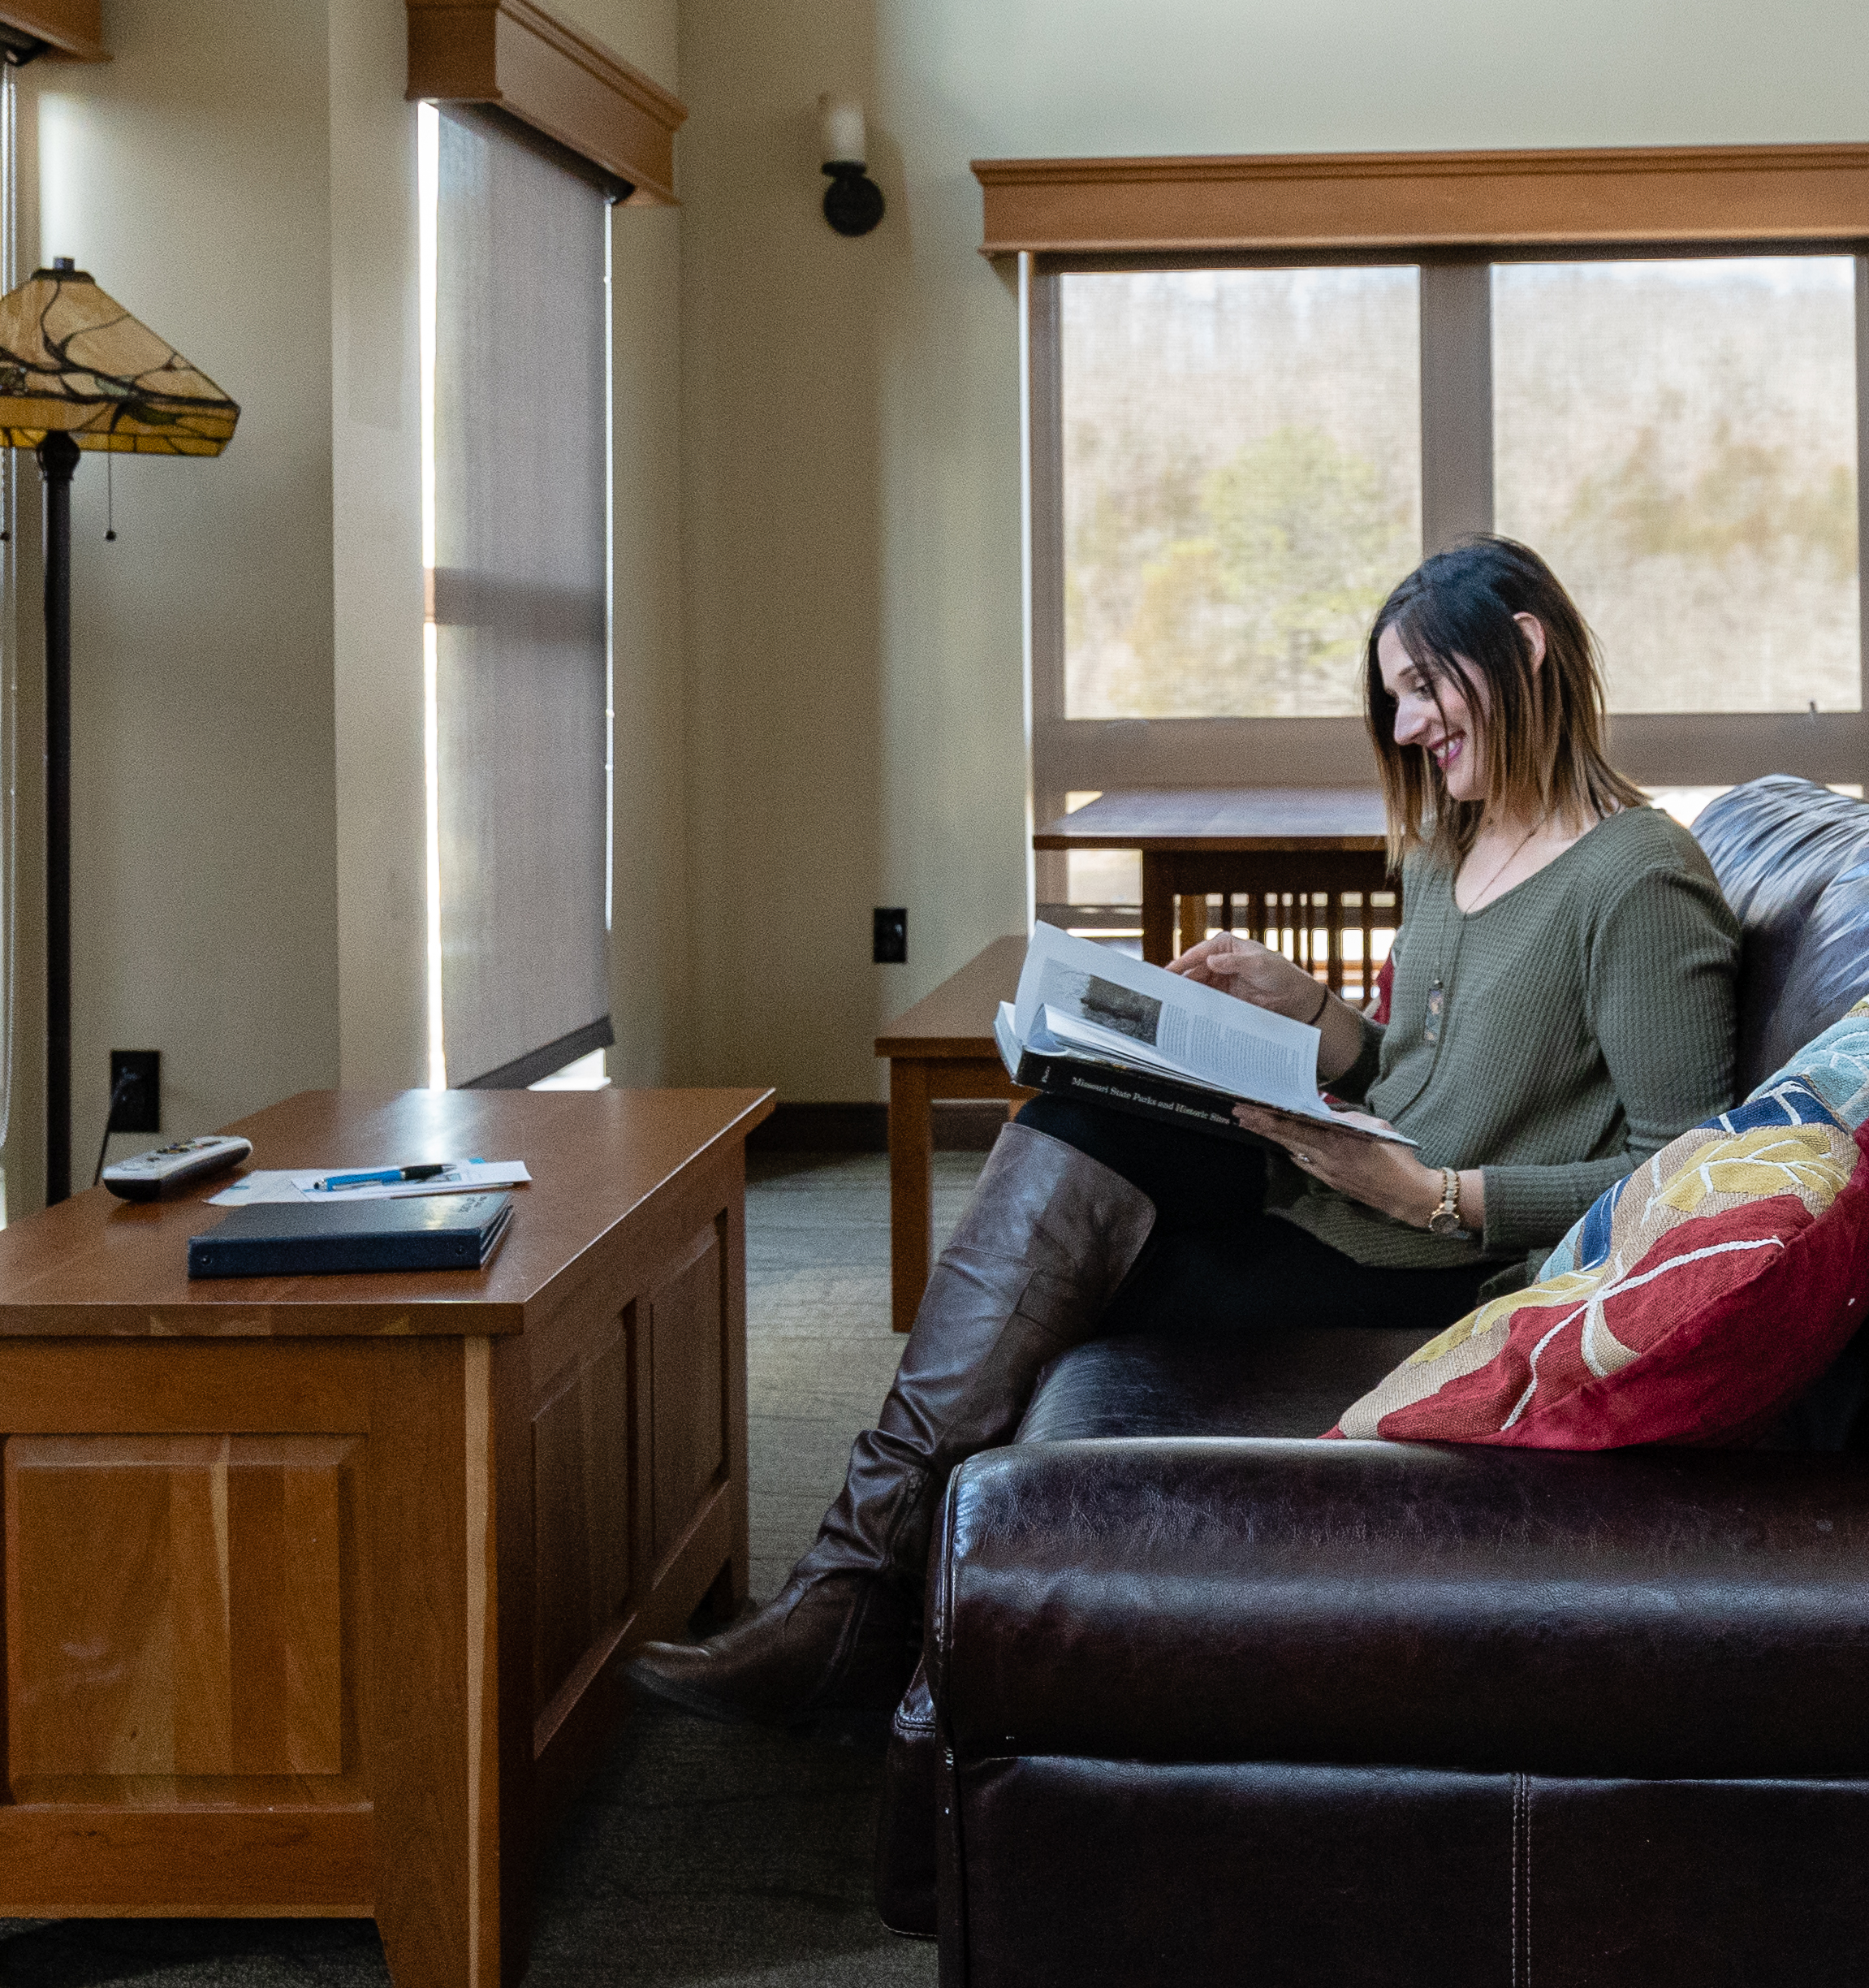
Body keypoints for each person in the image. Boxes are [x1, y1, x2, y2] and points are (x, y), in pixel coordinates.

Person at [628, 534, 1743, 1731]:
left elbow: (1681, 1178)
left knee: (1072, 1265)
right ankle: (860, 1593)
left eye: (1426, 686)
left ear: (1526, 647)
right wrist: (1309, 1011)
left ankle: (855, 1603)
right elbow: (1423, 1070)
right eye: (1396, 696)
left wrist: (1437, 1195)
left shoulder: (1639, 879)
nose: (1409, 724)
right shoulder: (1452, 847)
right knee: (1080, 1109)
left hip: (1441, 1258)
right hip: (1344, 1187)